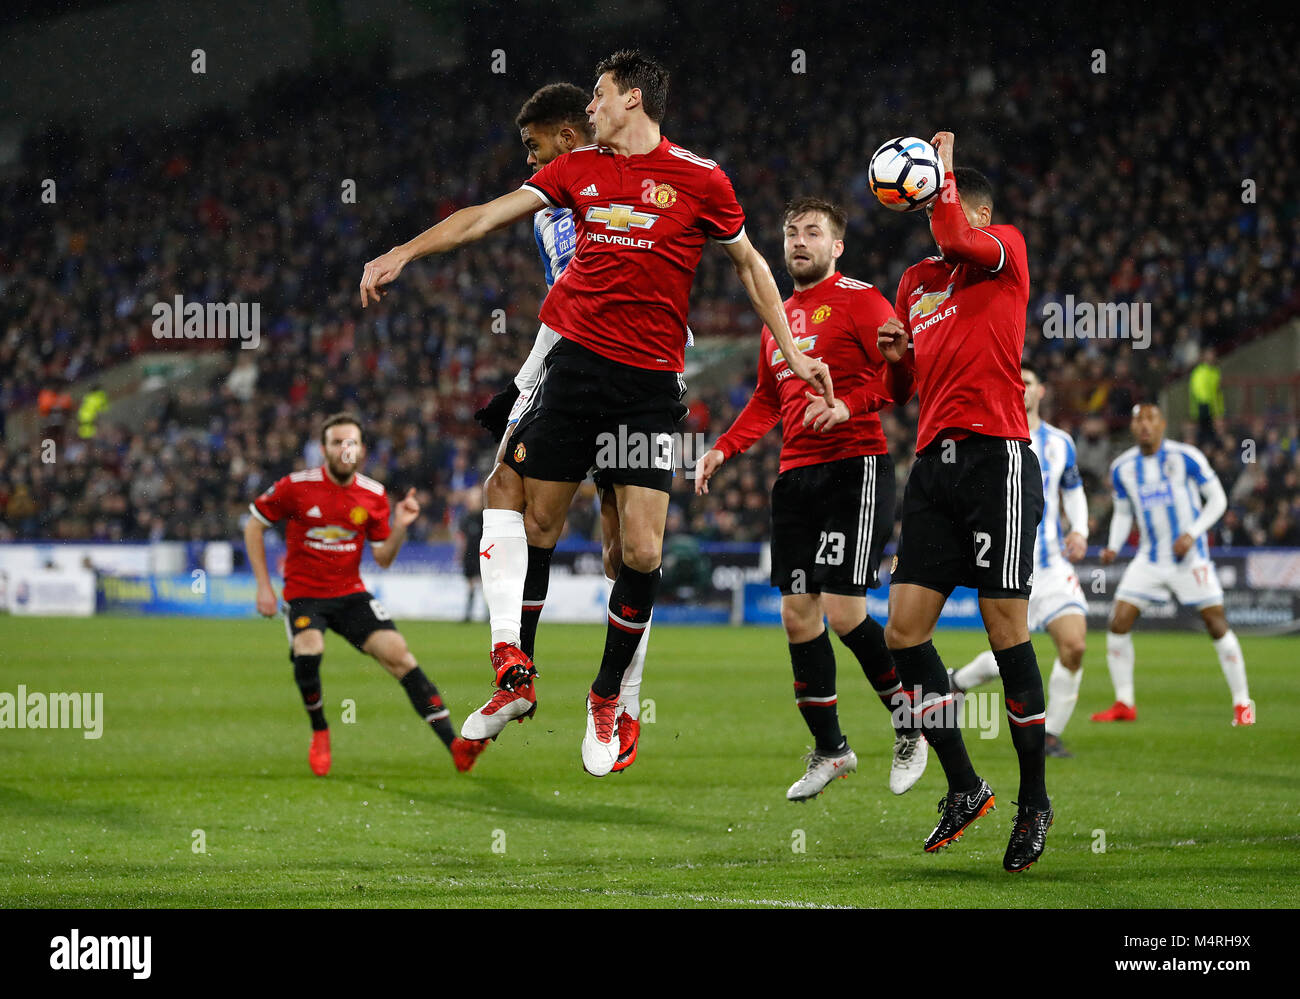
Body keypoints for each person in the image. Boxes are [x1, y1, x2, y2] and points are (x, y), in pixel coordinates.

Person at [360, 50, 833, 777]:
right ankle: (514, 662)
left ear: (632, 99)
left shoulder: (701, 178)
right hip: (575, 368)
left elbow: (748, 264)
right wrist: (404, 249)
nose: (591, 110)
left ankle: (607, 695)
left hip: (648, 387)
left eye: (601, 97)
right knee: (532, 516)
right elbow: (486, 216)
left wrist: (794, 352)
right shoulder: (578, 171)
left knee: (641, 554)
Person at [695, 196, 925, 801]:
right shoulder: (779, 315)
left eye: (813, 232)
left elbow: (903, 377)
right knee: (798, 615)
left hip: (856, 466)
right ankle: (832, 750)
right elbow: (769, 400)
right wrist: (725, 447)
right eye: (791, 231)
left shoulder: (861, 299)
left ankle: (913, 722)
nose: (798, 241)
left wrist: (850, 404)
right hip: (795, 475)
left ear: (836, 245)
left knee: (846, 609)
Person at [876, 132, 1053, 872]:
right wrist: (893, 362)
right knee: (903, 632)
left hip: (998, 459)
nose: (936, 226)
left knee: (1004, 627)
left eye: (946, 206)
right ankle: (966, 784)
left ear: (975, 210)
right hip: (935, 468)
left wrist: (942, 171)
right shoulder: (914, 281)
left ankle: (1034, 800)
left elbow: (952, 226)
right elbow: (900, 393)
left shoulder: (1002, 249)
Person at [467, 82, 651, 772]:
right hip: (569, 367)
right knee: (521, 506)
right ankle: (516, 668)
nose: (529, 161)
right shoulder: (549, 213)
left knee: (628, 548)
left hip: (636, 374)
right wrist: (527, 380)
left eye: (533, 146)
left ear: (566, 140)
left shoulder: (622, 189)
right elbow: (566, 299)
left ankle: (621, 700)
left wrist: (521, 381)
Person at [244, 412, 486, 776]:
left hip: (350, 594)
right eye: (338, 442)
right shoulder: (295, 486)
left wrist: (401, 526)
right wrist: (264, 586)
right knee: (309, 649)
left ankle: (454, 746)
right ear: (323, 449)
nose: (345, 448)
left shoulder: (373, 495)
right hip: (304, 594)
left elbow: (384, 559)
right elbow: (253, 525)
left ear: (362, 450)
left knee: (401, 657)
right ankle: (321, 730)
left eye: (351, 442)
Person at [949, 365, 1089, 758]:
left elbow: (1073, 490)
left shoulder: (1061, 443)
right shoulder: (990, 437)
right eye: (1016, 383)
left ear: (1041, 390)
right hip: (1009, 565)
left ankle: (1050, 736)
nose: (1022, 388)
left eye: (1028, 382)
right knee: (1009, 657)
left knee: (1074, 646)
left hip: (1053, 566)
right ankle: (957, 682)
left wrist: (1079, 530)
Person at [1093, 402, 1254, 725]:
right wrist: (1113, 545)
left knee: (1216, 624)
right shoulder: (1123, 468)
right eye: (1138, 419)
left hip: (1189, 559)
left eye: (1151, 419)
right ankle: (1125, 702)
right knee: (1118, 622)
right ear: (1133, 427)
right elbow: (1124, 512)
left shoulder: (1186, 457)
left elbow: (1218, 499)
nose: (1144, 425)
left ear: (1163, 424)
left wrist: (1193, 534)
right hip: (1149, 560)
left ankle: (1243, 704)